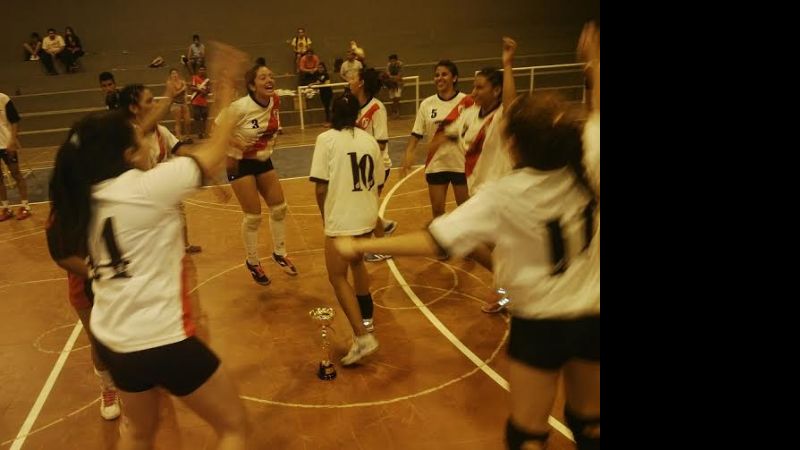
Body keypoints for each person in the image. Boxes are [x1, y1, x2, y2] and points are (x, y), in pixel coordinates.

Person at [333, 87, 600, 450]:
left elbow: (435, 241)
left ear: (514, 145)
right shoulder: (588, 165)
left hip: (540, 325)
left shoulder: (505, 194)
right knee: (589, 423)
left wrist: (364, 244)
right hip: (591, 317)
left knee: (529, 434)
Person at [46, 43, 249, 449]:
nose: (146, 145)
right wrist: (227, 89)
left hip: (115, 341)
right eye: (138, 142)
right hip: (162, 338)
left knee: (138, 432)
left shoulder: (88, 197)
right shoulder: (146, 188)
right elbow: (213, 154)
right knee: (234, 428)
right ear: (126, 155)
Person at [309, 93, 385, 365]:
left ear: (331, 113)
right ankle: (367, 318)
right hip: (366, 214)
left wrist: (326, 218)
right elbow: (377, 183)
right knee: (357, 264)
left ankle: (362, 337)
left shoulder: (326, 139)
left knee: (337, 276)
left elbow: (320, 187)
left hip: (342, 218)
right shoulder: (369, 140)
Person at [215, 62, 299, 285]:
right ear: (252, 86)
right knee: (253, 217)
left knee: (279, 207)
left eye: (271, 76)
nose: (269, 80)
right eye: (262, 78)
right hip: (239, 163)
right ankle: (252, 261)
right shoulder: (240, 107)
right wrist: (235, 142)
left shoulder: (275, 100)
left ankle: (279, 253)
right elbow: (217, 129)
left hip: (261, 160)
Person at [118, 82, 202, 253]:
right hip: (139, 201)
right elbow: (141, 131)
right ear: (134, 108)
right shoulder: (125, 134)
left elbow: (182, 150)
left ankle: (184, 246)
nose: (155, 105)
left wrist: (207, 170)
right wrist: (169, 97)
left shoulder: (161, 131)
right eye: (150, 101)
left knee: (178, 216)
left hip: (161, 191)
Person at [401, 60, 474, 221]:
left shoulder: (467, 102)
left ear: (454, 78)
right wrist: (409, 152)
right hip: (436, 164)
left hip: (460, 164)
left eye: (444, 74)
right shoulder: (427, 104)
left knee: (467, 213)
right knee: (438, 214)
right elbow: (416, 133)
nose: (439, 78)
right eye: (436, 75)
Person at [0, 92, 31, 221]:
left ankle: (25, 206)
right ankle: (6, 208)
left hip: (6, 143)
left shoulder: (3, 98)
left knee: (16, 174)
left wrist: (12, 140)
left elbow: (15, 121)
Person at [168, 68, 192, 141]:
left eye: (175, 73)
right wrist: (182, 89)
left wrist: (186, 102)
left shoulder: (182, 82)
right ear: (170, 75)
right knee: (177, 122)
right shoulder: (169, 83)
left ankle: (188, 137)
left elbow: (185, 93)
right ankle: (179, 138)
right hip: (175, 104)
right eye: (173, 73)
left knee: (188, 121)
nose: (174, 75)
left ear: (178, 74)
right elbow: (174, 94)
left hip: (183, 103)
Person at [190, 65, 211, 139]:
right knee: (197, 118)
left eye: (203, 70)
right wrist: (199, 90)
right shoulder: (194, 78)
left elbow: (209, 90)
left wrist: (206, 91)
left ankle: (206, 132)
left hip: (204, 102)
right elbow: (192, 87)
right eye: (200, 70)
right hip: (195, 101)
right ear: (198, 71)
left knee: (205, 118)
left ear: (205, 71)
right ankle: (199, 133)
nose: (202, 71)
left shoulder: (207, 80)